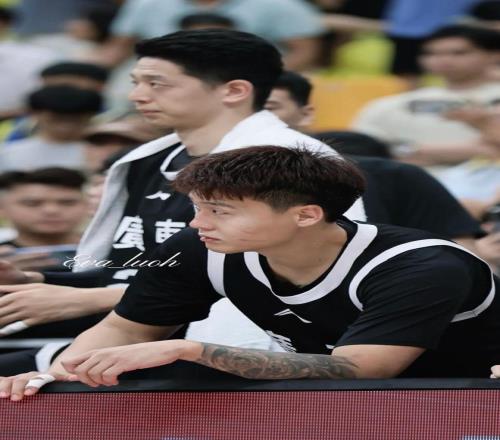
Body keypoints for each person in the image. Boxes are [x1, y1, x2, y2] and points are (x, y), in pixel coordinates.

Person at [2, 145, 499, 401]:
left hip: (463, 404)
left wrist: (190, 348)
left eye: (218, 210)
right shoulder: (204, 246)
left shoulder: (421, 266)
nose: (197, 223)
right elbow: (126, 328)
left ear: (305, 215)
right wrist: (55, 377)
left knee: (189, 367)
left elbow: (361, 369)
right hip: (338, 404)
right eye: (197, 208)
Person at [0, 30, 363, 374]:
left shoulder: (295, 164)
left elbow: (310, 283)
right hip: (133, 336)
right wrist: (39, 278)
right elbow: (140, 266)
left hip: (238, 356)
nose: (137, 96)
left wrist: (86, 300)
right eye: (135, 82)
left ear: (234, 90)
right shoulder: (143, 161)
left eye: (156, 83)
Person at [351, 25, 500, 165]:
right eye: (431, 53)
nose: (444, 60)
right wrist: (459, 151)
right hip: (408, 176)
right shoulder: (389, 104)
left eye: (458, 53)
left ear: (494, 55)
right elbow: (360, 147)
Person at [93, 0, 325, 71]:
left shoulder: (280, 4)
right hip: (163, 74)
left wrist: (262, 75)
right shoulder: (145, 4)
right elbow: (118, 48)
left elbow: (306, 51)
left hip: (250, 75)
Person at [0, 168, 87, 272]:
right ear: (2, 209)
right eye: (32, 203)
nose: (52, 210)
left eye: (67, 202)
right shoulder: (3, 258)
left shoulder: (103, 251)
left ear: (88, 206)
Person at [0, 86, 102, 172]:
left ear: (90, 116)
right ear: (35, 114)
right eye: (56, 118)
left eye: (75, 119)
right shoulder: (8, 153)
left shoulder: (103, 152)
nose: (66, 126)